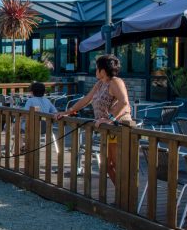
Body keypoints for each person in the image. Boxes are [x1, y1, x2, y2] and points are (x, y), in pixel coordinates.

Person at [56, 54, 131, 185]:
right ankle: (122, 195)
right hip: (106, 129)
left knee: (116, 163)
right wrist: (68, 111)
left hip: (117, 127)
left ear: (102, 70)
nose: (95, 71)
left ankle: (126, 198)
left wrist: (110, 119)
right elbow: (86, 99)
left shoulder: (115, 82)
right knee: (107, 164)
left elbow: (124, 102)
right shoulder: (100, 84)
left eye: (96, 68)